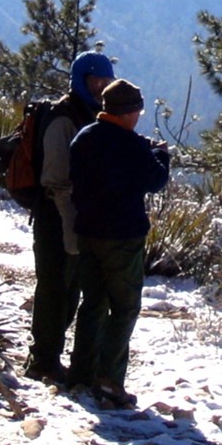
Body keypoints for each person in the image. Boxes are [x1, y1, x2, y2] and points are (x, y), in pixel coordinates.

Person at [66, 78, 170, 407]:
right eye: (137, 110)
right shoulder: (131, 145)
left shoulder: (84, 138)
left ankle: (81, 372)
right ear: (128, 112)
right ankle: (110, 380)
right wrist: (162, 157)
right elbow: (155, 180)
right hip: (122, 236)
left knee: (93, 302)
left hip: (87, 231)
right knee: (124, 307)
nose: (139, 115)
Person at [24, 50, 116, 382]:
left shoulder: (89, 115)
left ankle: (50, 356)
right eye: (96, 81)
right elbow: (55, 179)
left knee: (71, 287)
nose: (102, 87)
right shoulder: (64, 119)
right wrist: (69, 223)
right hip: (55, 215)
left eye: (106, 82)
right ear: (81, 80)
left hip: (77, 215)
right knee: (53, 286)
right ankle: (43, 360)